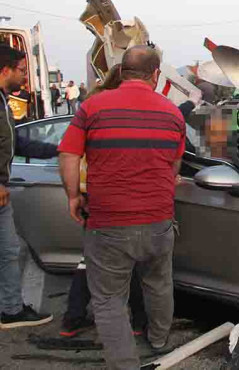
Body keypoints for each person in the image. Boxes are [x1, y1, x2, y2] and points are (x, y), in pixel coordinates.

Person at [58, 46, 186, 369]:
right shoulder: (173, 114)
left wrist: (73, 196)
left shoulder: (92, 107)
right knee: (158, 284)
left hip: (108, 224)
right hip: (159, 221)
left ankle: (124, 364)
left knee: (109, 299)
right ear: (155, 75)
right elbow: (173, 167)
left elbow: (68, 155)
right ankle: (158, 340)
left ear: (122, 72)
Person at [0, 45, 57, 329]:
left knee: (9, 251)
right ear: (5, 69)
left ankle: (10, 309)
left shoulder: (4, 102)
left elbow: (17, 143)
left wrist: (58, 150)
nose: (25, 78)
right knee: (9, 251)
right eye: (22, 71)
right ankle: (10, 310)